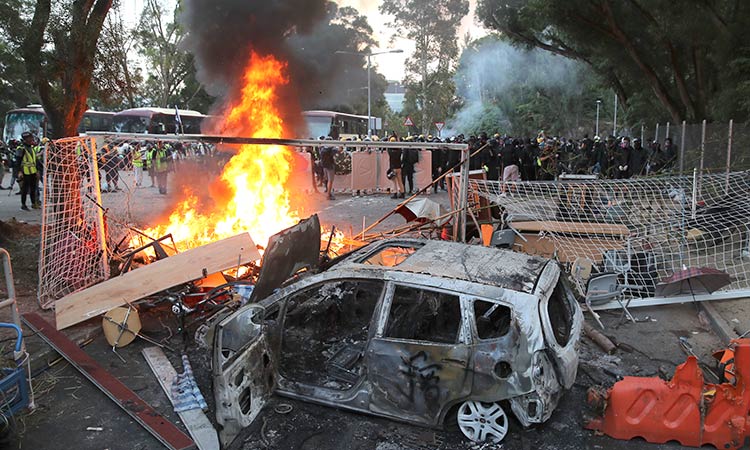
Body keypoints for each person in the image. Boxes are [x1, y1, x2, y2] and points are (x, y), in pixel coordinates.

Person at [14, 131, 41, 210]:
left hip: (33, 171)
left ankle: (34, 203)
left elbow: (35, 160)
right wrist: (19, 172)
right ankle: (23, 205)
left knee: (33, 188)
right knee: (25, 189)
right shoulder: (21, 148)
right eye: (30, 138)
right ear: (25, 139)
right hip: (24, 171)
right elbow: (18, 161)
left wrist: (37, 170)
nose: (31, 139)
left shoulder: (31, 148)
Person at [319, 136, 338, 200]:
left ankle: (327, 191)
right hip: (330, 166)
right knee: (330, 181)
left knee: (326, 179)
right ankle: (328, 194)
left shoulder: (322, 149)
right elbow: (336, 152)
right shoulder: (331, 149)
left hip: (324, 166)